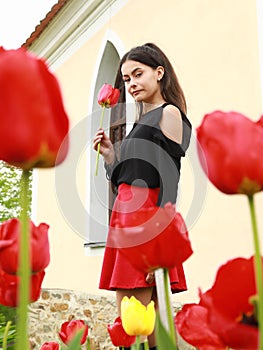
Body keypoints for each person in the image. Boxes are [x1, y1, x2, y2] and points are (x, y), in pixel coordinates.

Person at [93, 43, 192, 349]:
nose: (131, 82)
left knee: (134, 326)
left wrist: (155, 241)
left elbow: (169, 177)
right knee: (153, 330)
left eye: (138, 73)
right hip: (129, 215)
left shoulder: (169, 113)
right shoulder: (142, 122)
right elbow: (131, 176)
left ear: (159, 73)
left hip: (145, 220)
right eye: (126, 78)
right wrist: (111, 157)